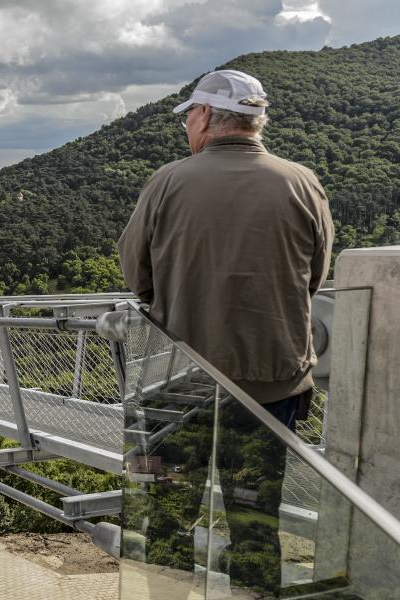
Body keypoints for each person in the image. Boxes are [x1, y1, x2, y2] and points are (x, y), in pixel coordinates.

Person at [117, 69, 333, 597]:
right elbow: (316, 275)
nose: (186, 125)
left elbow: (135, 274)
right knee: (255, 516)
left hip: (181, 384)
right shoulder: (301, 182)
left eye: (189, 114)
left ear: (208, 116)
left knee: (168, 513)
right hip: (271, 384)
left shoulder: (169, 181)